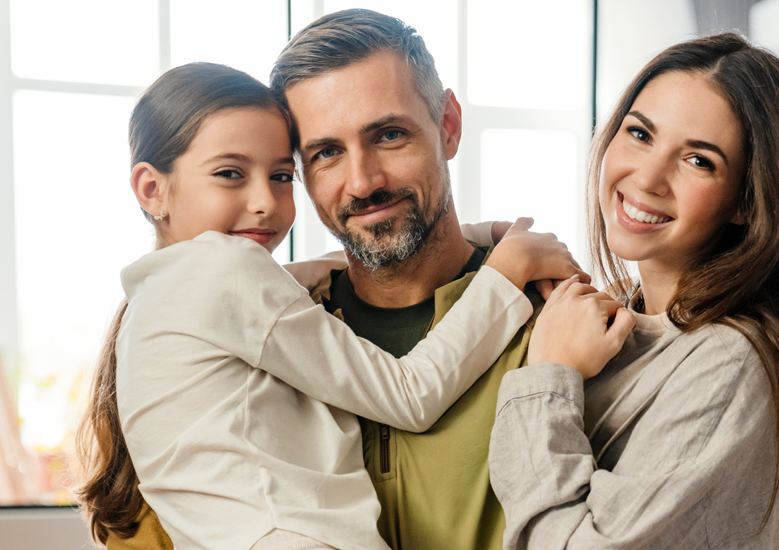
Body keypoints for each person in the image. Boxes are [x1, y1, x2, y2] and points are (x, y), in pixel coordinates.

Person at [75, 62, 588, 550]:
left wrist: (482, 234)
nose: (264, 203)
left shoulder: (161, 297)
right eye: (230, 174)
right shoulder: (228, 273)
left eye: (280, 176)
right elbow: (408, 395)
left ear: (447, 125)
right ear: (151, 188)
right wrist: (504, 271)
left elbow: (320, 269)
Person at [488, 32, 779, 550]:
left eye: (699, 160)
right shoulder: (619, 313)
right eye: (639, 134)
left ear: (747, 202)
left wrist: (549, 377)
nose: (649, 177)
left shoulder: (731, 361)